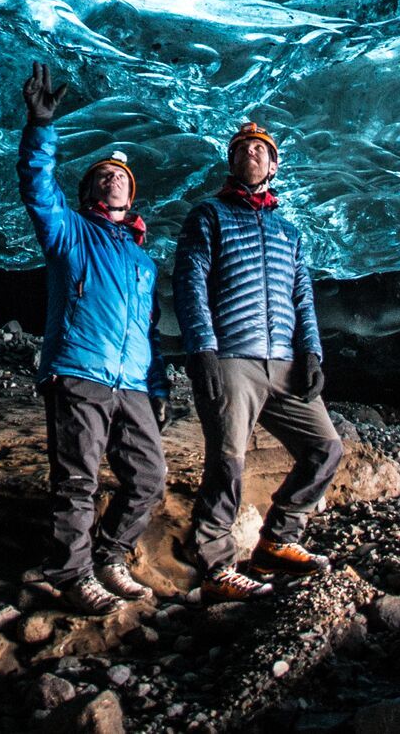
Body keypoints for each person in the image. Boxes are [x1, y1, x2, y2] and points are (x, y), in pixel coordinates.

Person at [16, 63, 168, 615]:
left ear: (134, 193)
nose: (115, 179)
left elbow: (147, 330)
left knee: (148, 477)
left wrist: (158, 388)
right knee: (78, 480)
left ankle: (110, 555)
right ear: (88, 191)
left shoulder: (143, 262)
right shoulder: (69, 232)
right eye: (104, 176)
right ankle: (70, 572)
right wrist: (41, 126)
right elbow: (37, 187)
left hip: (132, 382)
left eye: (122, 177)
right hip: (80, 368)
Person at [172, 119, 344, 602]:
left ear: (273, 165)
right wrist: (202, 349)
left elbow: (303, 297)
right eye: (243, 147)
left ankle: (277, 540)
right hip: (231, 357)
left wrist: (311, 350)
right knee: (228, 462)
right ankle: (217, 567)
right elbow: (190, 284)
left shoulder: (288, 231)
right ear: (232, 161)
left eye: (260, 148)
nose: (252, 151)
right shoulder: (208, 214)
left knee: (326, 449)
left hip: (284, 361)